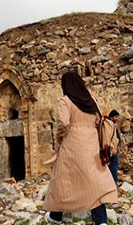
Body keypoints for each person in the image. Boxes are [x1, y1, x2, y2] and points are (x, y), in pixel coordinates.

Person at [44, 71, 118, 225]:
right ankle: (101, 220)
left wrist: (60, 138)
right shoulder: (92, 101)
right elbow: (98, 121)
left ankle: (56, 216)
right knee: (94, 181)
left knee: (63, 179)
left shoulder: (65, 101)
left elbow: (63, 123)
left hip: (72, 143)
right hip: (91, 144)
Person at [107, 109, 122, 186]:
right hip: (112, 150)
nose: (117, 119)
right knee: (114, 166)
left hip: (113, 149)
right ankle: (114, 183)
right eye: (116, 117)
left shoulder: (111, 126)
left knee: (113, 166)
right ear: (112, 117)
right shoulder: (109, 126)